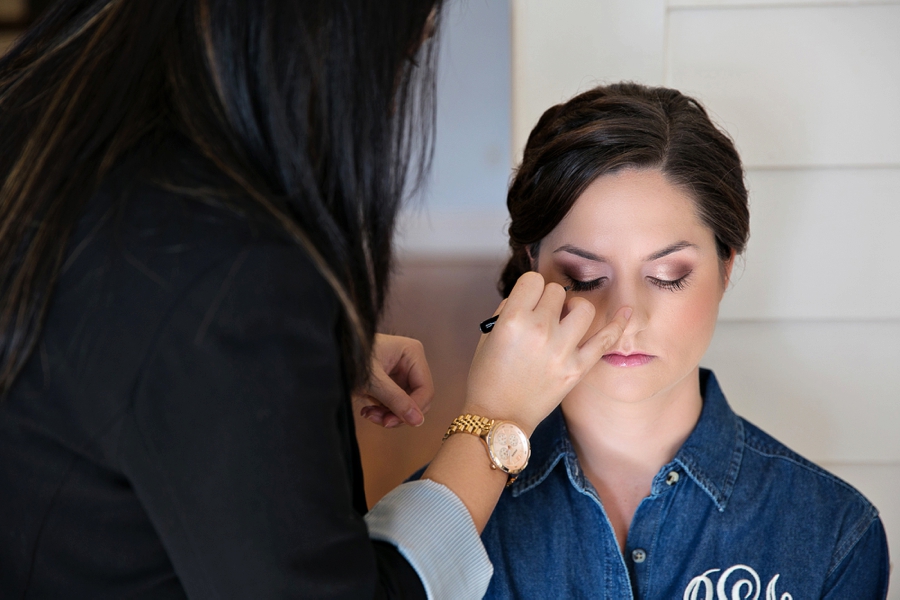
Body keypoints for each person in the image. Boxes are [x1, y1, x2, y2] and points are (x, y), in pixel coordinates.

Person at [0, 1, 631, 598]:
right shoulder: (224, 273)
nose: (629, 319)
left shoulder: (44, 100)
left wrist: (278, 372)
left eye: (669, 275)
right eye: (402, 55)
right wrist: (497, 421)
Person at [478, 83, 891, 598]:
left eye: (668, 274)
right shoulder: (449, 524)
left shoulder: (834, 532)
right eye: (584, 276)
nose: (625, 318)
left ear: (726, 267)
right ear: (530, 268)